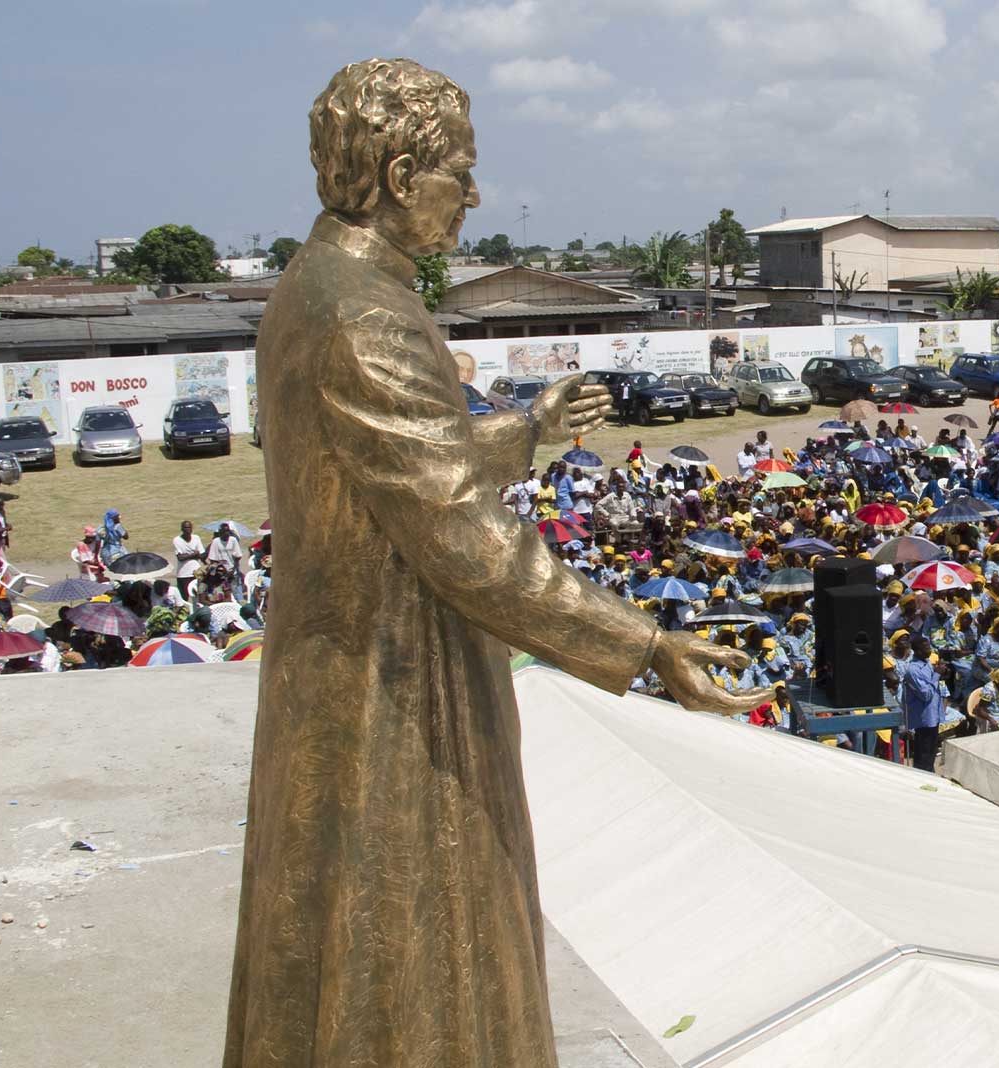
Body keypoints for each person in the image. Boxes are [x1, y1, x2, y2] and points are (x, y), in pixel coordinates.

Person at [226, 58, 765, 1068]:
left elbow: (393, 465)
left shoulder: (325, 287)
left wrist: (524, 429)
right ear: (397, 175)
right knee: (405, 952)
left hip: (354, 662)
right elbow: (462, 540)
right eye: (458, 172)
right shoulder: (364, 315)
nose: (473, 197)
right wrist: (644, 641)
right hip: (391, 681)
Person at [898, 636, 945, 771]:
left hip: (933, 715)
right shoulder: (913, 670)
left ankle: (930, 771)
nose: (929, 650)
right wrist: (936, 674)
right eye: (926, 648)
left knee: (931, 750)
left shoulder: (927, 663)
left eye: (929, 647)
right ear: (917, 651)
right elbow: (925, 694)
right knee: (923, 753)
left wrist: (941, 673)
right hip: (923, 718)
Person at [173, 520, 207, 598]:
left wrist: (188, 555)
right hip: (183, 574)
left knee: (200, 595)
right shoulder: (177, 540)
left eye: (189, 527)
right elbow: (180, 558)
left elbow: (202, 555)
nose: (187, 529)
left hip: (197, 572)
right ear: (182, 529)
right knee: (184, 596)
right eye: (185, 527)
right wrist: (194, 554)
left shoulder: (196, 538)